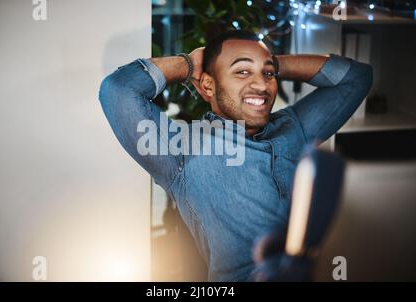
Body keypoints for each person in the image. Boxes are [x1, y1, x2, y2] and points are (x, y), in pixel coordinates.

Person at [98, 30, 372, 281]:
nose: (263, 86)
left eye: (268, 75)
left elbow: (356, 77)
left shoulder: (293, 127)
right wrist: (190, 65)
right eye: (241, 72)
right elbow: (118, 91)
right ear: (207, 87)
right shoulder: (182, 148)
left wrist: (269, 62)